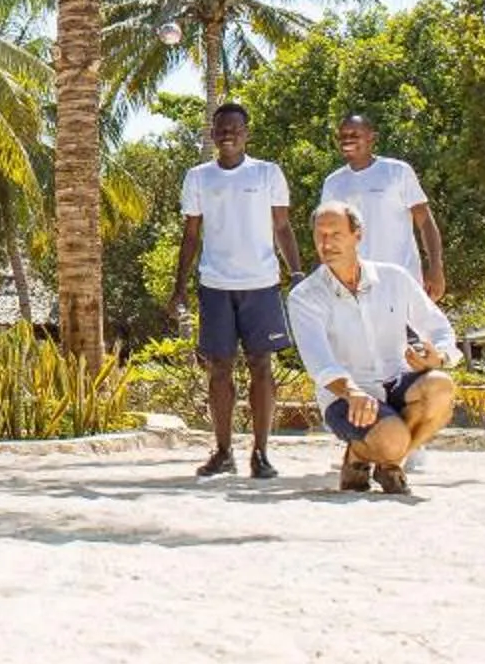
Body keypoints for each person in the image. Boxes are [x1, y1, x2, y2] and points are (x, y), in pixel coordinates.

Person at [162, 101, 302, 480]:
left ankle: (261, 452)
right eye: (221, 128)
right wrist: (179, 287)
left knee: (262, 365)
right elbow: (191, 234)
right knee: (218, 369)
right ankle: (223, 451)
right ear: (212, 134)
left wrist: (297, 271)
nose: (228, 134)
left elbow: (283, 228)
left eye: (235, 129)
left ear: (246, 134)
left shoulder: (268, 173)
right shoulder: (198, 177)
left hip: (261, 284)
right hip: (215, 284)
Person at [290, 200, 463, 494]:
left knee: (441, 387)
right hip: (345, 397)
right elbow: (319, 362)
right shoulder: (304, 296)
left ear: (358, 234)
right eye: (320, 235)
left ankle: (368, 459)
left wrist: (440, 356)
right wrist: (353, 392)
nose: (326, 243)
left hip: (397, 382)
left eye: (336, 234)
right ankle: (380, 453)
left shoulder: (394, 278)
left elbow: (438, 327)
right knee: (392, 441)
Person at [315, 112, 445, 300]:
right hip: (354, 286)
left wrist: (435, 267)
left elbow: (425, 222)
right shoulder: (333, 183)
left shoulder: (397, 172)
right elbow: (326, 233)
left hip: (402, 283)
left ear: (372, 139)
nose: (347, 140)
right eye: (342, 136)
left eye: (354, 135)